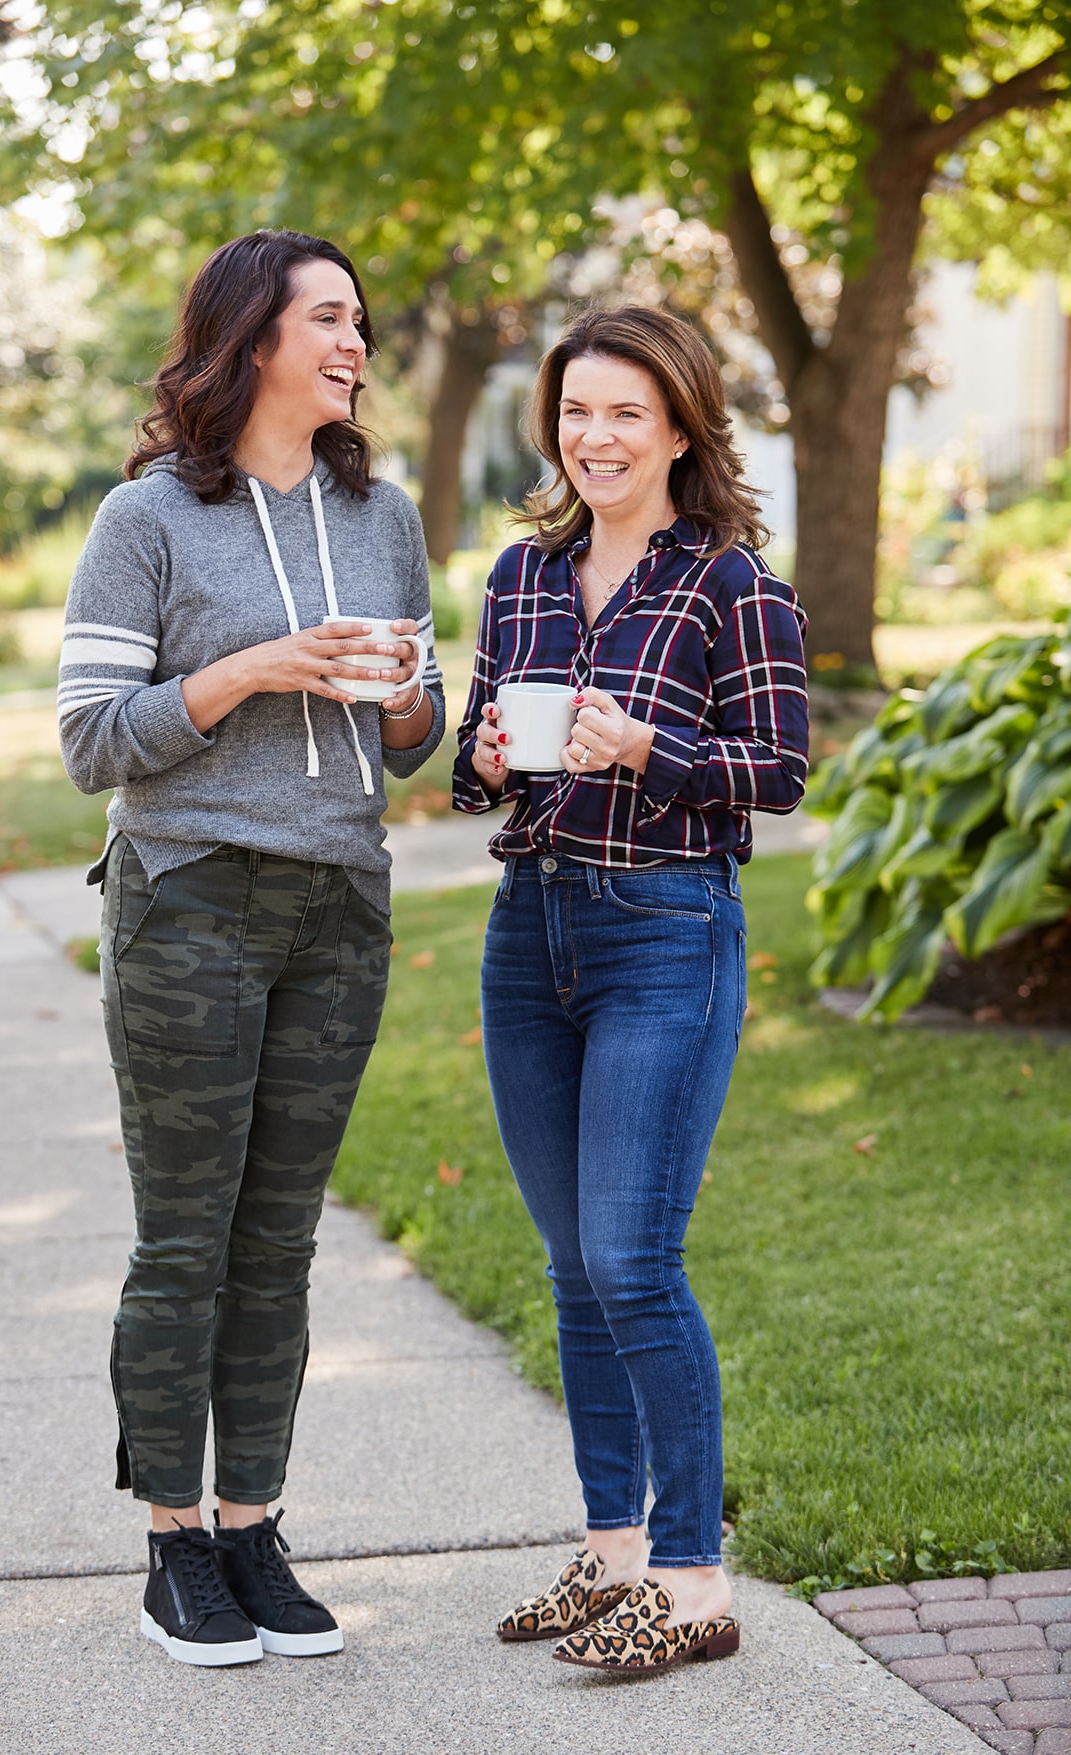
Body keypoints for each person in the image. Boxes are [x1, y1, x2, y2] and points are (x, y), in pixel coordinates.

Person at [59, 229, 444, 1668]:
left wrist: (407, 694)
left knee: (279, 1245)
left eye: (360, 317)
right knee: (188, 1243)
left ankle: (251, 1527)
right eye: (327, 318)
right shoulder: (145, 519)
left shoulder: (383, 514)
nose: (354, 342)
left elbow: (414, 743)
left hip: (338, 907)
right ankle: (172, 1544)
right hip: (192, 900)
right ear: (252, 339)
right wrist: (247, 671)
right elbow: (94, 744)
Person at [452, 304, 808, 1675]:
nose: (593, 437)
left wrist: (647, 745)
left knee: (630, 1261)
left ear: (675, 427)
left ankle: (694, 1584)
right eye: (575, 411)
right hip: (526, 932)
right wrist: (488, 756)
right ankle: (609, 1557)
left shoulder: (729, 583)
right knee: (567, 1265)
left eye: (623, 413)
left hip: (662, 933)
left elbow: (775, 773)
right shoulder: (519, 575)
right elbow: (482, 759)